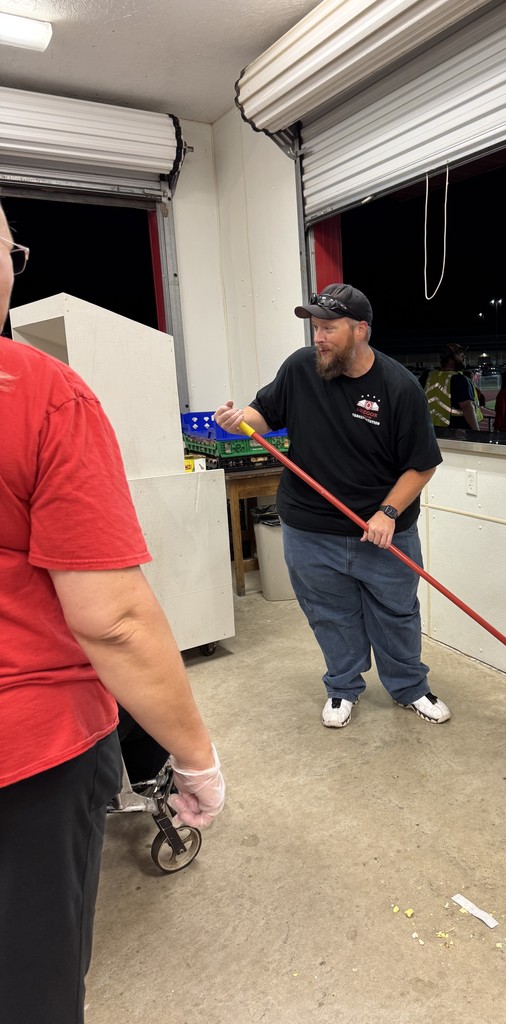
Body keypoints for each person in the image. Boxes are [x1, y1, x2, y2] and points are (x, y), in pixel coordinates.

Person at [0, 206, 225, 1024]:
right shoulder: (40, 392)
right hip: (25, 751)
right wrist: (194, 756)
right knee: (30, 986)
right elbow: (114, 617)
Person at [214, 282, 450, 730]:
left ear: (360, 330)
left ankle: (409, 687)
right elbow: (262, 412)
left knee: (397, 614)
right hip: (309, 529)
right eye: (315, 328)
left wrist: (388, 513)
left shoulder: (398, 387)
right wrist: (237, 419)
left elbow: (422, 466)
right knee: (328, 614)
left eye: (328, 328)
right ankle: (342, 687)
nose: (318, 338)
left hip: (380, 532)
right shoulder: (302, 368)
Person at [424, 342, 480, 429]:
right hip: (456, 433)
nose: (464, 357)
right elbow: (466, 407)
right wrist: (477, 432)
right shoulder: (459, 379)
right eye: (460, 354)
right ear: (450, 359)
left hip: (430, 429)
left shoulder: (428, 377)